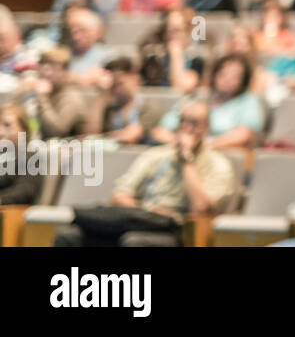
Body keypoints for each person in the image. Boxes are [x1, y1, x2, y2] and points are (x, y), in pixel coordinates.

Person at [54, 101, 236, 247]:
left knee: (135, 242)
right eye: (182, 121)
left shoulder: (218, 165)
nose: (186, 127)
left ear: (206, 128)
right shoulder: (155, 155)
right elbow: (119, 196)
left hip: (180, 230)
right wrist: (147, 211)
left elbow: (202, 208)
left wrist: (186, 160)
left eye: (193, 123)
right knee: (69, 236)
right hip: (144, 220)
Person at [153, 55, 264, 149]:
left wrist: (203, 145)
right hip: (183, 152)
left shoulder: (248, 101)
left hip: (223, 158)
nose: (228, 79)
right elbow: (161, 130)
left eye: (235, 76)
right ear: (215, 74)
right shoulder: (196, 98)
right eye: (224, 74)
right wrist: (181, 142)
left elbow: (243, 136)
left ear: (243, 80)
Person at [15, 47, 92, 139]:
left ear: (65, 72)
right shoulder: (45, 91)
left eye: (52, 68)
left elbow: (56, 131)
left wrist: (42, 97)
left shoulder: (71, 96)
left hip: (75, 150)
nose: (45, 73)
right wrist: (21, 93)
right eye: (42, 66)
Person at [90, 56, 164, 144]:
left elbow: (131, 136)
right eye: (113, 85)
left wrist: (105, 137)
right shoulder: (110, 108)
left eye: (120, 83)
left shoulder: (149, 107)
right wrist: (102, 97)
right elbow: (91, 133)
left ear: (135, 78)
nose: (116, 90)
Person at [0, 103, 41, 206]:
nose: (0, 132)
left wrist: (2, 199)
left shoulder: (30, 157)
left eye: (7, 125)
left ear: (23, 129)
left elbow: (26, 190)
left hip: (10, 212)